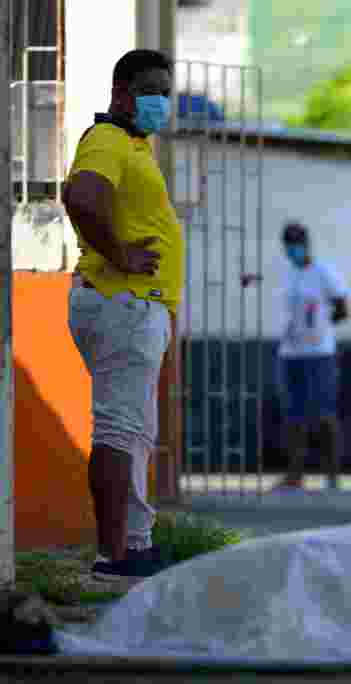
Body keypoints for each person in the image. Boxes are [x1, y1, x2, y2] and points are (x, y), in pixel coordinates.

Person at [62, 49, 179, 581]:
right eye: (152, 89)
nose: (161, 101)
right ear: (121, 92)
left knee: (132, 432)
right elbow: (81, 197)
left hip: (134, 306)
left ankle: (134, 544)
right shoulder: (107, 140)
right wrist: (119, 254)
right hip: (121, 301)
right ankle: (115, 555)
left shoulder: (135, 145)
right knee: (118, 429)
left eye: (166, 91)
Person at [277, 222, 349, 491]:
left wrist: (320, 325)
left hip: (320, 354)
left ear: (306, 244)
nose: (293, 249)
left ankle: (332, 474)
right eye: (289, 244)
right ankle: (295, 474)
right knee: (293, 415)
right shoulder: (287, 274)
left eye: (297, 243)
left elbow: (343, 309)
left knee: (323, 415)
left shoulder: (324, 273)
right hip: (290, 353)